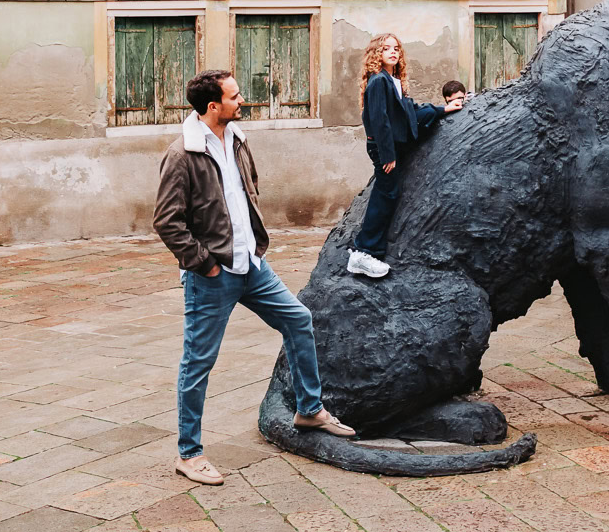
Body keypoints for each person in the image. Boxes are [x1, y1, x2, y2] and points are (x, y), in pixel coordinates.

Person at [156, 68, 355, 485]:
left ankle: (309, 409)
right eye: (234, 95)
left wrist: (253, 247)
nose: (242, 99)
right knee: (198, 363)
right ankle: (189, 454)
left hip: (252, 266)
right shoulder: (182, 154)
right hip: (212, 275)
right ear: (214, 106)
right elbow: (167, 221)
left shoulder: (239, 140)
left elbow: (246, 193)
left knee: (299, 319)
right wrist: (204, 263)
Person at [349, 35, 464, 278]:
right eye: (386, 48)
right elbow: (379, 120)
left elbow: (409, 112)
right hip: (384, 148)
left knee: (389, 194)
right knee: (386, 194)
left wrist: (443, 109)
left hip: (390, 147)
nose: (393, 52)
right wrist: (387, 154)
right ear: (376, 54)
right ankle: (362, 252)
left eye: (396, 49)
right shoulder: (379, 81)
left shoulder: (391, 80)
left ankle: (369, 250)